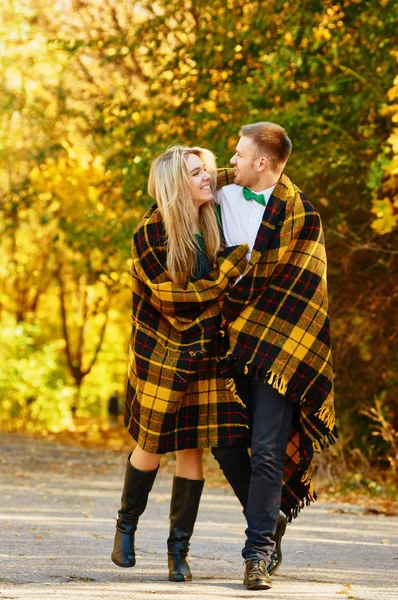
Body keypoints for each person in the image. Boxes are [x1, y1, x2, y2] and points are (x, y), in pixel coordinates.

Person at [111, 145, 249, 582]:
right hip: (163, 355)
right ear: (176, 184)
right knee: (151, 444)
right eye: (196, 173)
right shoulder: (150, 233)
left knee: (193, 448)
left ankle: (177, 552)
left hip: (205, 352)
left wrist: (261, 164)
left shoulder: (209, 219)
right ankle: (125, 527)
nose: (207, 177)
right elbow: (174, 300)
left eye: (207, 171)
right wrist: (225, 275)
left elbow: (236, 172)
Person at [211, 122, 337, 590]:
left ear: (262, 162)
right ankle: (274, 515)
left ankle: (257, 555)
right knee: (224, 443)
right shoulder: (220, 192)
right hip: (224, 340)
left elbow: (305, 293)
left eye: (240, 154)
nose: (234, 160)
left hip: (280, 346)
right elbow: (172, 214)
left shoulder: (303, 216)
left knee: (266, 450)